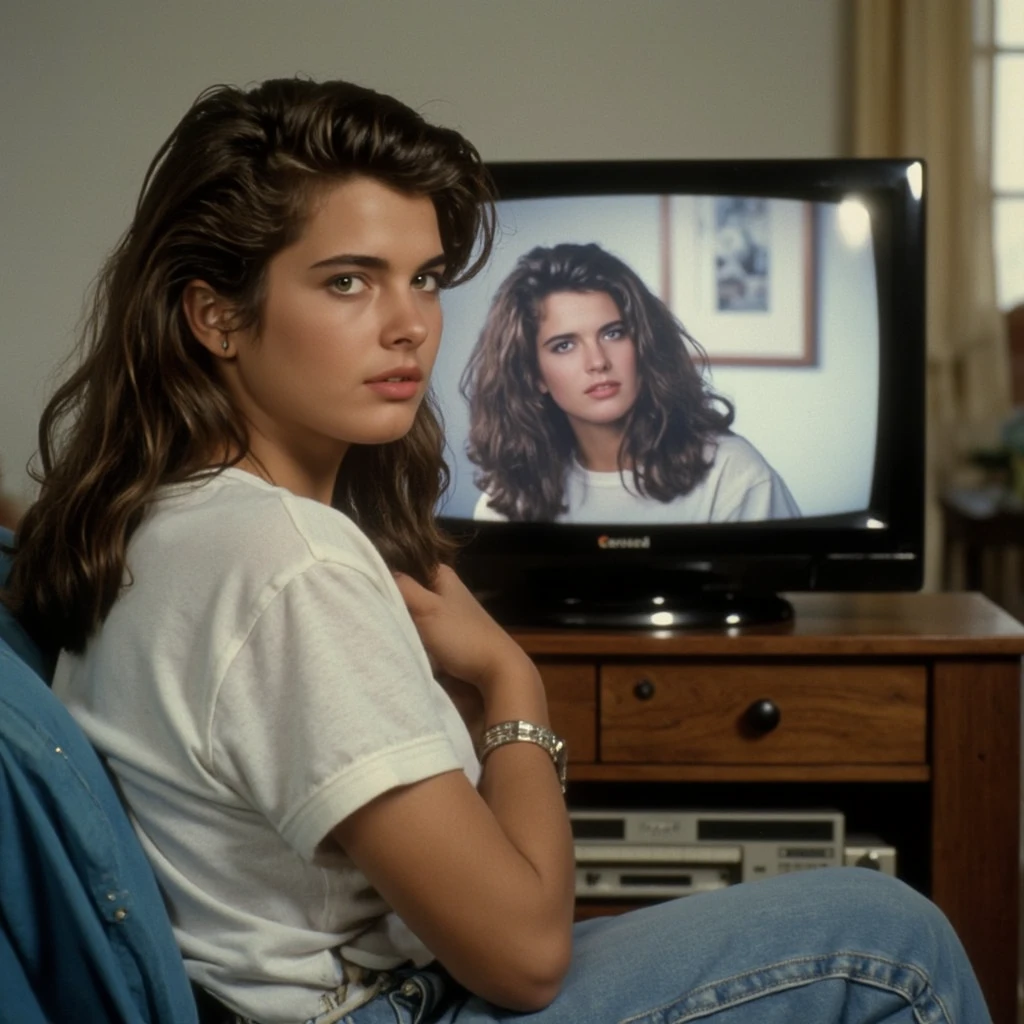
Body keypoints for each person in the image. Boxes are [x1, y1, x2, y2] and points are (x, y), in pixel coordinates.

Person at [2, 77, 991, 1024]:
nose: (410, 327)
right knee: (890, 936)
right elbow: (524, 956)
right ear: (215, 314)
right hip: (380, 1008)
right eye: (348, 281)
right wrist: (512, 681)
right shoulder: (286, 559)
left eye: (424, 278)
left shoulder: (168, 518)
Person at [460, 242, 801, 523]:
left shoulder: (735, 476)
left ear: (643, 343)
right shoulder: (507, 502)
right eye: (564, 345)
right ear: (534, 375)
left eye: (613, 333)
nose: (598, 362)